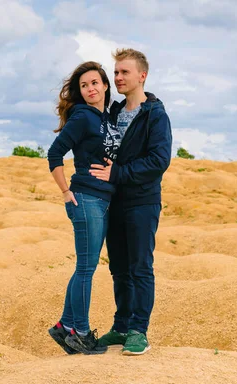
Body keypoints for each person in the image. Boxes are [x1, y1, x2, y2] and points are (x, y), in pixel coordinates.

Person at [89, 48, 172, 356]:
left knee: (139, 267)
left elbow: (159, 160)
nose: (118, 77)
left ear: (142, 76)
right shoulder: (112, 113)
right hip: (113, 201)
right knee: (119, 268)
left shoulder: (155, 115)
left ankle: (139, 330)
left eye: (124, 72)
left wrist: (118, 172)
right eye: (116, 72)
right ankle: (121, 326)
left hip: (142, 201)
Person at [46, 61, 121, 355]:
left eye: (94, 83)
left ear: (105, 85)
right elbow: (54, 154)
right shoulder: (82, 118)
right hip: (86, 198)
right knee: (86, 268)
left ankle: (64, 326)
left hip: (102, 199)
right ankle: (80, 332)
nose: (90, 88)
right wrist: (66, 191)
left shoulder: (107, 119)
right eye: (84, 85)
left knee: (85, 267)